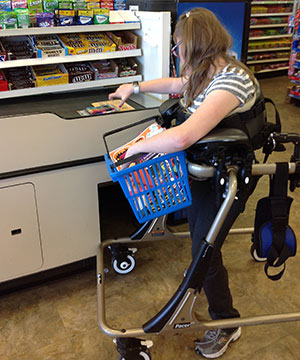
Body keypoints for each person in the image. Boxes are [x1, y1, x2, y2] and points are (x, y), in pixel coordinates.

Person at [109, 7, 259, 359]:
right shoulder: (210, 69)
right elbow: (178, 85)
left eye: (178, 46)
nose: (176, 53)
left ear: (194, 45)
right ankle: (220, 310)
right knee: (199, 240)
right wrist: (135, 86)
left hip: (228, 178)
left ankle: (226, 322)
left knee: (204, 252)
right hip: (205, 172)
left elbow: (183, 137)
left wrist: (135, 149)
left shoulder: (231, 80)